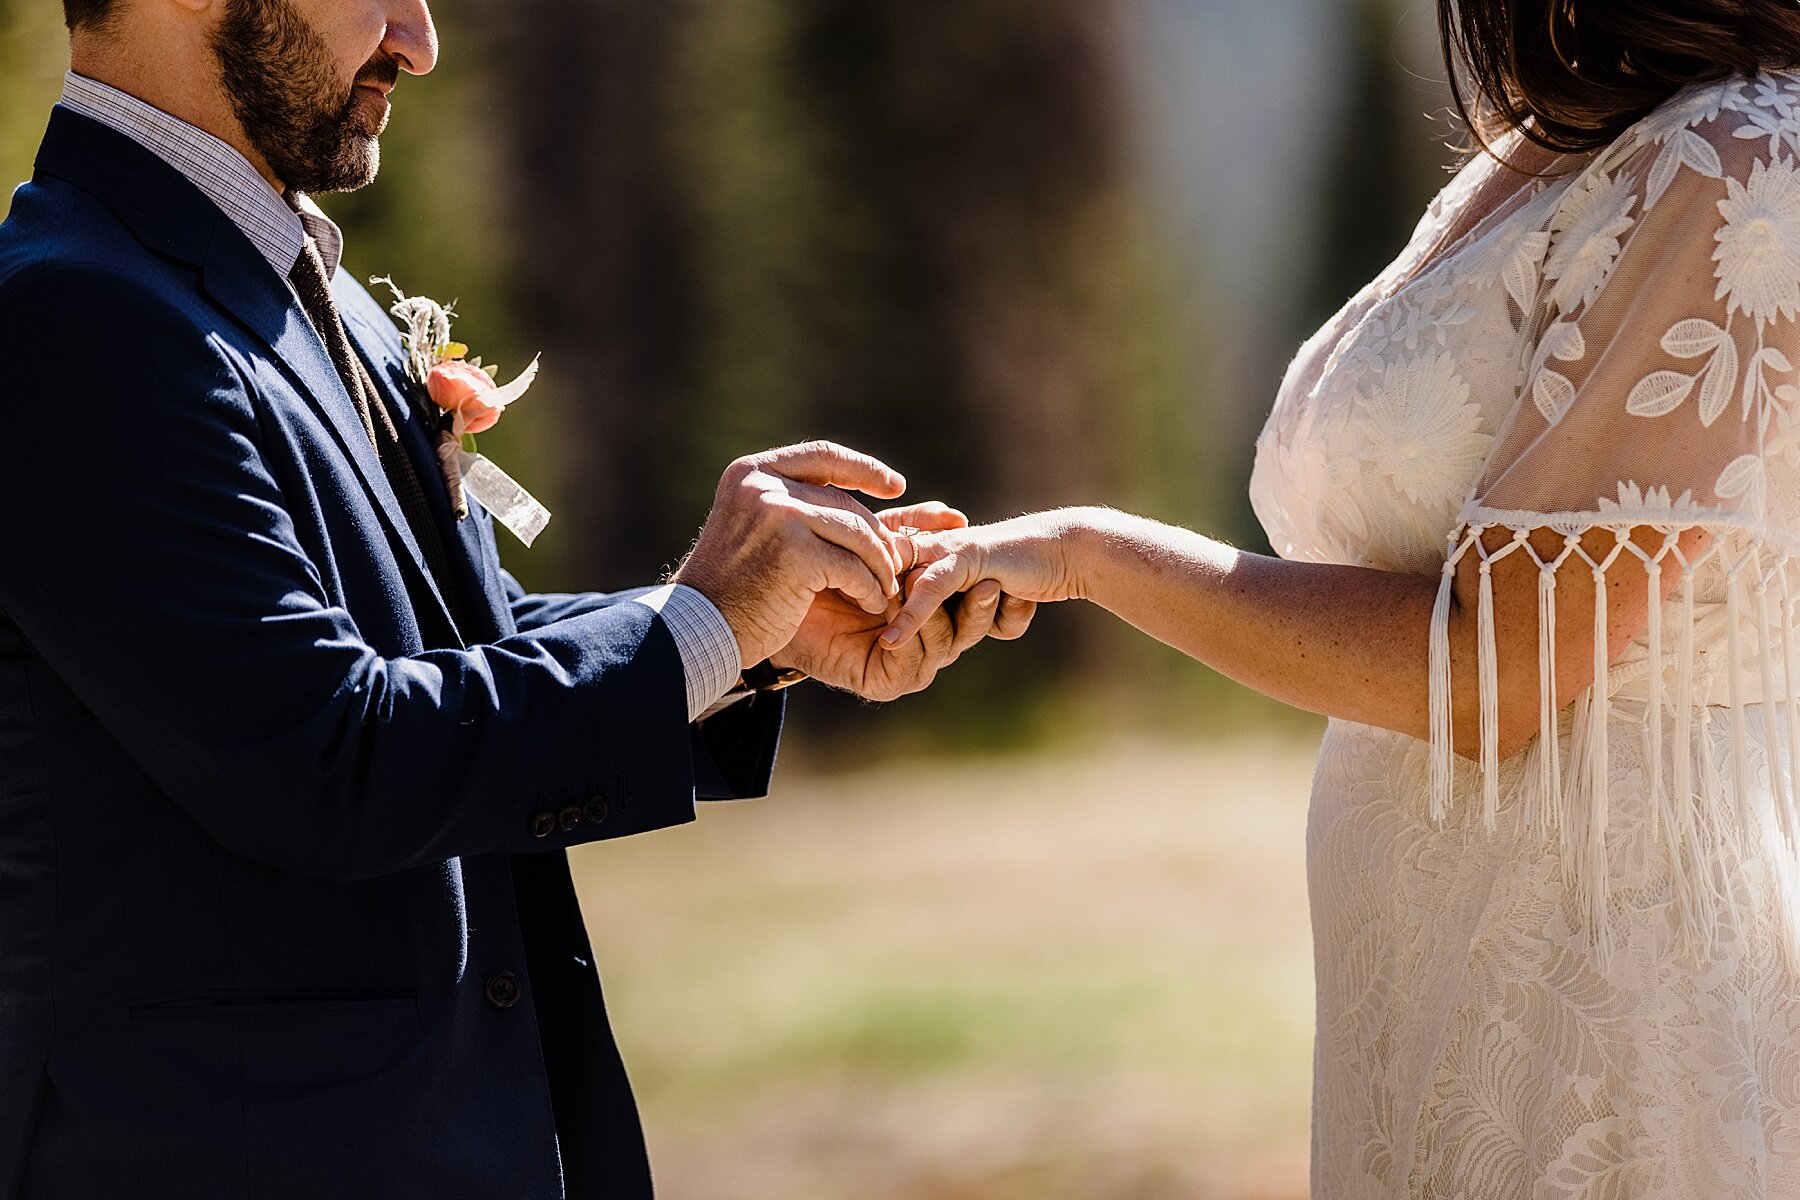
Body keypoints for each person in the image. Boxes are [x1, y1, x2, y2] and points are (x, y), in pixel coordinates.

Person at [0, 0, 1030, 1196]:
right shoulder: (72, 314)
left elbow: (448, 651)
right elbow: (329, 751)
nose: (418, 39)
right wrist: (699, 622)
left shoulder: (282, 278)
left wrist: (751, 635)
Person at [883, 2, 1800, 1194]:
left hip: (1606, 988)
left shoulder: (1739, 154)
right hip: (1438, 977)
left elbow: (1497, 674)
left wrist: (1094, 557)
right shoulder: (1554, 139)